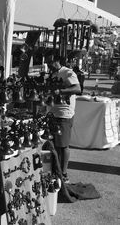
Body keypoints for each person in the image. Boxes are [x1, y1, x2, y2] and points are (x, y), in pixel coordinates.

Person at [48, 55, 81, 183]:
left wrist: (60, 91)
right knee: (54, 145)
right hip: (53, 113)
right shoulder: (52, 75)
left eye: (50, 61)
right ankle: (56, 171)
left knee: (63, 145)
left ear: (57, 61)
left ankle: (64, 173)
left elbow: (77, 89)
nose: (49, 64)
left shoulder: (68, 73)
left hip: (64, 114)